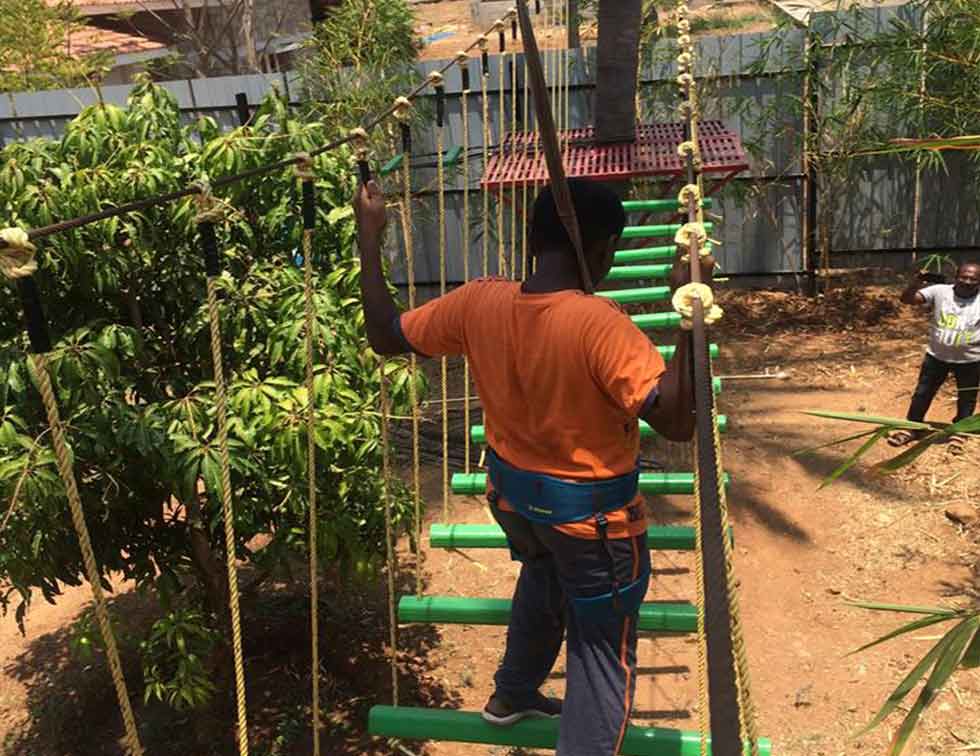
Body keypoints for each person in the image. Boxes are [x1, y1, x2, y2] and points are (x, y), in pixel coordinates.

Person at [355, 177, 707, 756]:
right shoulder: (599, 325)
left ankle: (513, 694)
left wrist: (369, 239)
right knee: (600, 653)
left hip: (519, 505)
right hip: (593, 528)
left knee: (544, 576)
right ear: (602, 250)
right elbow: (676, 421)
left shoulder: (478, 303)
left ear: (533, 240)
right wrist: (689, 317)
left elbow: (385, 335)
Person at [889, 262, 980, 455]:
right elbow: (907, 299)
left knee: (967, 398)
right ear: (956, 277)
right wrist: (917, 282)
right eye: (964, 277)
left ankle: (960, 432)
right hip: (937, 356)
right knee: (922, 393)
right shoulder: (940, 291)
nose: (967, 281)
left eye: (973, 279)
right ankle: (912, 427)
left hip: (971, 360)